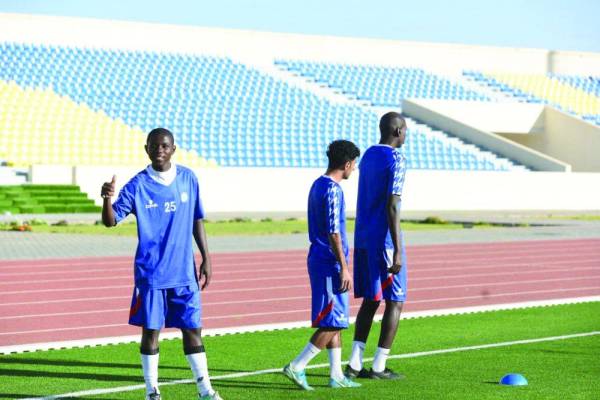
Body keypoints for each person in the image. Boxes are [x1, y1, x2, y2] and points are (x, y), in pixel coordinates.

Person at [100, 128, 222, 400]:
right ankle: (152, 391)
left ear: (173, 149)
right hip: (152, 274)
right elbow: (110, 221)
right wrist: (107, 198)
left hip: (184, 273)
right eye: (154, 146)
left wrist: (206, 257)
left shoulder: (188, 178)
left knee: (193, 330)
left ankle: (205, 390)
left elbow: (197, 220)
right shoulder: (138, 185)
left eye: (165, 146)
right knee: (151, 331)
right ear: (146, 149)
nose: (159, 150)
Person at [283, 140, 362, 390]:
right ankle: (297, 365)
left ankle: (336, 374)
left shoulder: (318, 184)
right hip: (329, 262)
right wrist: (344, 267)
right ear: (347, 164)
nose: (354, 169)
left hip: (321, 259)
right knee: (333, 320)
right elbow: (333, 232)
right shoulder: (333, 190)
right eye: (354, 164)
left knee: (336, 318)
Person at [345, 112, 408, 380]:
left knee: (371, 299)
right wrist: (398, 249)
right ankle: (380, 366)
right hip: (384, 240)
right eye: (405, 130)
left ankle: (354, 364)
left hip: (363, 237)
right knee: (395, 300)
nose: (406, 135)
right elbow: (392, 204)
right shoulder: (397, 158)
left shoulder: (369, 155)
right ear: (397, 131)